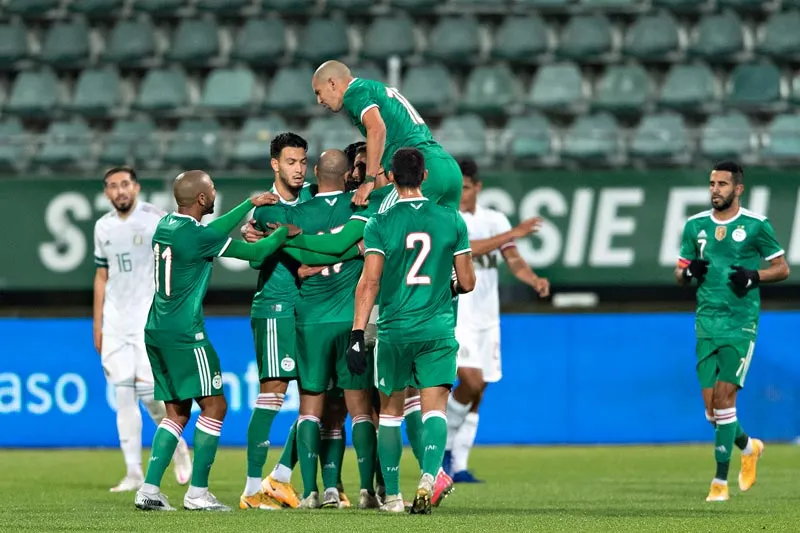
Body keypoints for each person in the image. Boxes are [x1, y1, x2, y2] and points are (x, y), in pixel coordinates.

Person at [134, 171, 289, 511]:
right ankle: (198, 493)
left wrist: (249, 203)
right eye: (212, 190)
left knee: (175, 413)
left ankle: (148, 490)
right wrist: (283, 235)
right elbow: (256, 253)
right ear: (202, 199)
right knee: (216, 406)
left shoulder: (166, 226)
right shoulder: (198, 236)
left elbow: (213, 230)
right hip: (186, 333)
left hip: (156, 328)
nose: (216, 193)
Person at [346, 148, 476, 514]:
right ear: (424, 177)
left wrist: (357, 334)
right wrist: (441, 285)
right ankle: (429, 477)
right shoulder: (451, 220)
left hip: (394, 330)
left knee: (389, 412)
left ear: (391, 176)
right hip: (435, 328)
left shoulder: (380, 223)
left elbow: (369, 283)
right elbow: (466, 282)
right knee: (434, 409)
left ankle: (392, 498)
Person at [675, 161, 789, 502]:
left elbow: (781, 268)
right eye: (712, 184)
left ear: (738, 189)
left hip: (740, 323)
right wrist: (688, 272)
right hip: (706, 323)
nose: (715, 190)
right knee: (713, 412)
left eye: (723, 184)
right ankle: (749, 447)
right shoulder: (694, 226)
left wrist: (755, 275)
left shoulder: (756, 225)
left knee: (726, 401)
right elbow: (679, 274)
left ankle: (719, 483)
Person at [282, 149, 378, 509]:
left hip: (310, 320)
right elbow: (365, 248)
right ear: (346, 176)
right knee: (360, 410)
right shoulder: (362, 209)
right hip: (351, 319)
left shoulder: (296, 213)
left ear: (316, 172)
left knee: (310, 408)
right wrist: (351, 252)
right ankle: (367, 491)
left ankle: (311, 492)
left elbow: (271, 235)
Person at [443, 158, 549, 483]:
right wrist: (512, 232)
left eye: (467, 187)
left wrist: (533, 279)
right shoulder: (448, 217)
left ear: (478, 187)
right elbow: (469, 249)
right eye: (457, 187)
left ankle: (458, 465)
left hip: (488, 316)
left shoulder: (494, 219)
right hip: (458, 313)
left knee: (480, 391)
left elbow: (513, 260)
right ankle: (443, 448)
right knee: (470, 382)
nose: (461, 193)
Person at [93, 167, 192, 492]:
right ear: (107, 193)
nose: (119, 191)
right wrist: (98, 323)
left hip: (147, 321)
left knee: (151, 396)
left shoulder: (155, 218)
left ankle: (177, 446)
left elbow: (177, 256)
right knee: (123, 394)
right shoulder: (102, 226)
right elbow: (102, 275)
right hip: (115, 323)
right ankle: (133, 472)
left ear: (135, 187)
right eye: (112, 186)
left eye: (124, 184)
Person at [311, 60, 462, 210]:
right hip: (448, 166)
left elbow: (377, 129)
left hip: (420, 171)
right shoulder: (377, 88)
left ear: (332, 83)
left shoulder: (354, 93)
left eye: (318, 92)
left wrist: (369, 180)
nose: (319, 100)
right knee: (442, 232)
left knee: (385, 222)